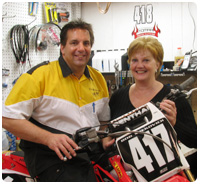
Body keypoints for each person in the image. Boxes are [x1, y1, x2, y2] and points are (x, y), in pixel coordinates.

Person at [2, 19, 110, 182]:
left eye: (86, 43)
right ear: (62, 47)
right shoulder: (38, 76)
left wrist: (105, 139)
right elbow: (7, 119)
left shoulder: (98, 78)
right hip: (50, 159)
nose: (81, 48)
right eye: (74, 43)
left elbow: (104, 122)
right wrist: (49, 138)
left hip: (87, 154)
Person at [108, 36, 197, 177]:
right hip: (129, 177)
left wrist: (174, 124)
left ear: (158, 64)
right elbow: (110, 134)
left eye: (146, 60)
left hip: (167, 176)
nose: (139, 65)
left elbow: (194, 141)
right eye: (134, 60)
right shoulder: (118, 97)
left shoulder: (175, 99)